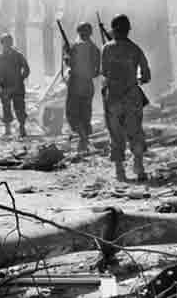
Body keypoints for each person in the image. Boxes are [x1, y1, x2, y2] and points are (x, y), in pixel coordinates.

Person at [100, 14, 151, 182]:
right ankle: (139, 167)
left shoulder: (106, 48)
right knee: (135, 131)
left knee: (115, 134)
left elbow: (104, 71)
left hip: (113, 96)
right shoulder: (136, 49)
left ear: (113, 30)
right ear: (128, 30)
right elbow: (146, 75)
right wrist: (136, 79)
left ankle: (119, 171)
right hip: (131, 96)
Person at [65, 22, 102, 153]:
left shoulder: (75, 47)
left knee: (72, 113)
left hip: (75, 84)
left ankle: (83, 138)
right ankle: (84, 142)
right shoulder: (96, 49)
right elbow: (97, 72)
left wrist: (67, 54)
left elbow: (69, 63)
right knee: (85, 114)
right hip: (88, 85)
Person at [0, 33, 31, 137]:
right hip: (5, 87)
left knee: (20, 108)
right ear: (2, 44)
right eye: (5, 42)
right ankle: (7, 130)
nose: (7, 44)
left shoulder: (18, 55)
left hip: (17, 87)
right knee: (6, 108)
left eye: (9, 42)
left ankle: (22, 128)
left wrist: (21, 78)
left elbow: (27, 69)